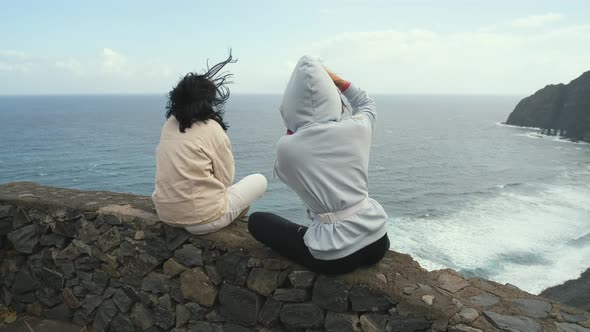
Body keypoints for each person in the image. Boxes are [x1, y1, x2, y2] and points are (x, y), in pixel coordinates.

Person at [248, 55, 390, 275]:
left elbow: (288, 171)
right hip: (378, 239)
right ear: (332, 97)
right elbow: (366, 104)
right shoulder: (358, 129)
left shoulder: (287, 148)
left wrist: (295, 123)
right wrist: (336, 80)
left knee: (258, 221)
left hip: (335, 255)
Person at [152, 53, 267, 235]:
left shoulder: (169, 125)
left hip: (166, 214)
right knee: (259, 180)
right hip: (204, 220)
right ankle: (232, 217)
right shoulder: (212, 127)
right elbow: (225, 179)